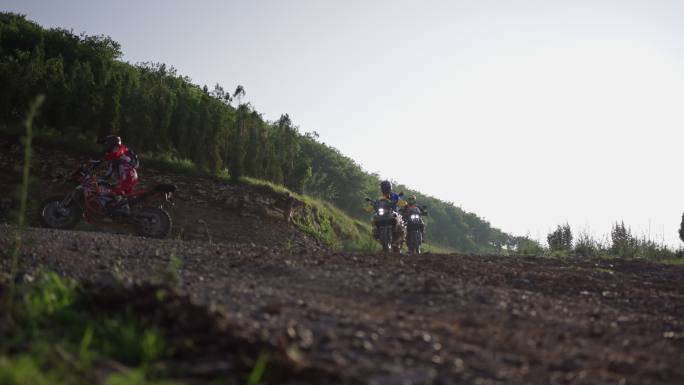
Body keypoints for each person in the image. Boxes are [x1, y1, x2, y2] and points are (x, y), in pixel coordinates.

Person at [96, 135, 139, 215]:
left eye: (107, 143)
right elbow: (109, 173)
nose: (106, 146)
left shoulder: (119, 147)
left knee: (116, 191)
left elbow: (114, 154)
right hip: (130, 175)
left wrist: (102, 158)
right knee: (127, 197)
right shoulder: (118, 158)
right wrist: (100, 179)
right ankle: (135, 213)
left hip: (128, 175)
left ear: (112, 142)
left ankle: (124, 211)